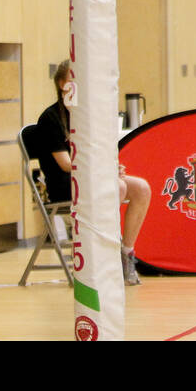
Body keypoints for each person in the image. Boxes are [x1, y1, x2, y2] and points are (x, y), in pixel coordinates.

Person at [33, 59, 152, 286]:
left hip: (92, 176)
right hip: (65, 183)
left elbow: (100, 151)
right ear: (61, 84)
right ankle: (105, 253)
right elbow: (66, 164)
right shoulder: (50, 119)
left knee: (141, 188)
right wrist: (104, 170)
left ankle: (126, 254)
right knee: (117, 186)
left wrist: (111, 166)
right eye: (72, 79)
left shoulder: (87, 115)